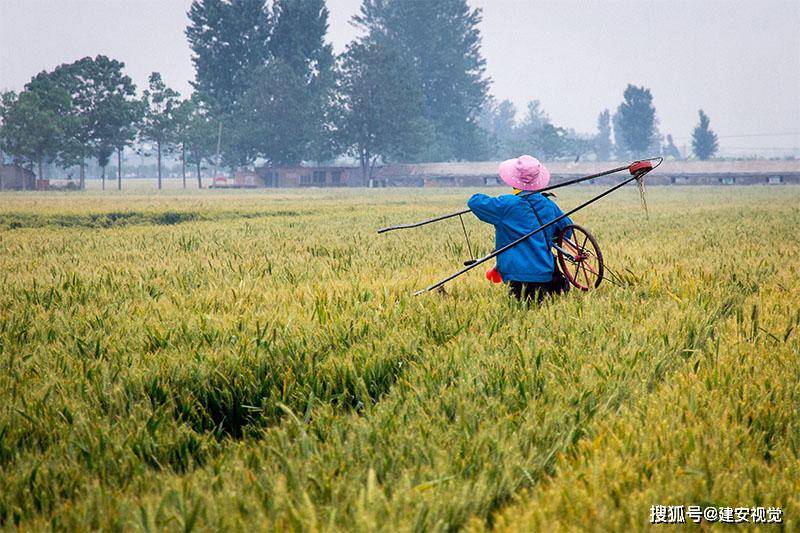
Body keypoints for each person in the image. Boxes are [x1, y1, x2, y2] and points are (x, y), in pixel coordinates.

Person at [467, 155, 573, 303]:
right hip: (547, 273)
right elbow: (567, 231)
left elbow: (475, 202)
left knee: (522, 312)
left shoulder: (506, 204)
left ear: (513, 180)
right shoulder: (549, 205)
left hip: (517, 276)